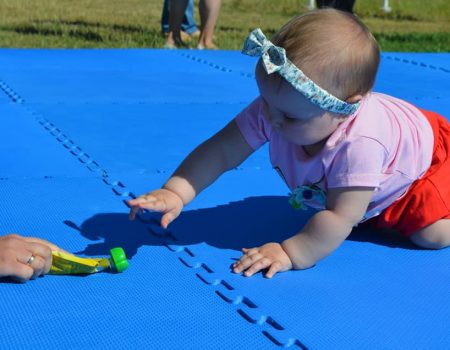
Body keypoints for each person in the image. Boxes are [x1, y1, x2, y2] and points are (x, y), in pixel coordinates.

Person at [129, 9, 450, 278]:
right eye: (265, 102)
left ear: (344, 110)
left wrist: (291, 251)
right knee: (349, 202)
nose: (271, 120)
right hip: (370, 176)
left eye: (290, 117)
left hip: (424, 169)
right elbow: (223, 149)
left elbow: (341, 217)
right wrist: (176, 191)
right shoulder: (279, 107)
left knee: (430, 235)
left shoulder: (360, 144)